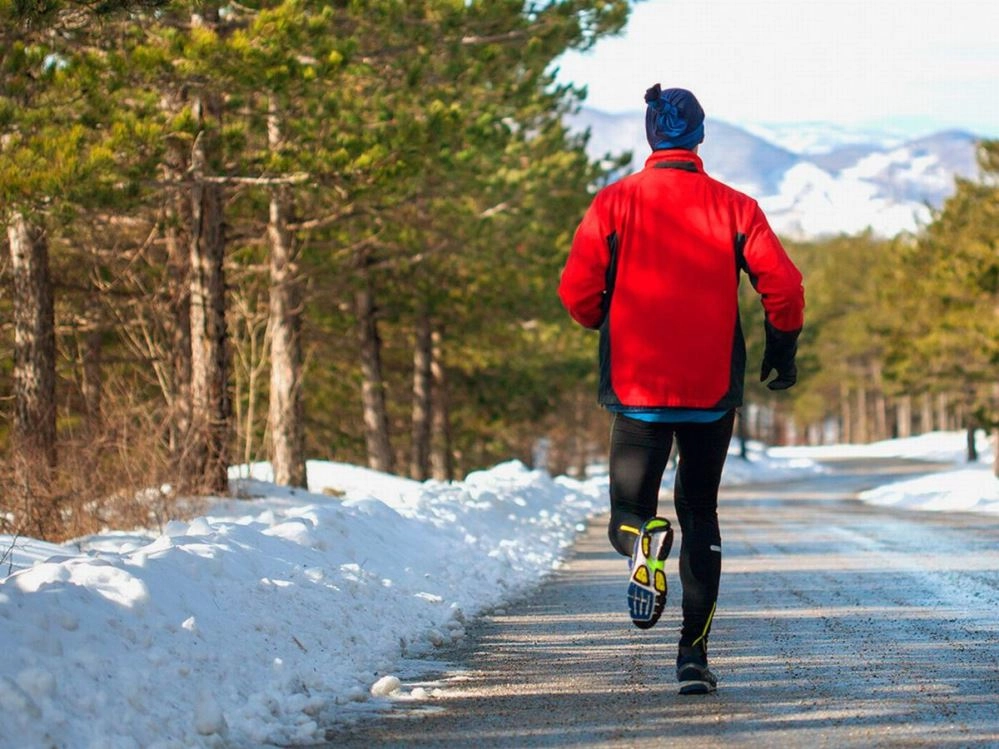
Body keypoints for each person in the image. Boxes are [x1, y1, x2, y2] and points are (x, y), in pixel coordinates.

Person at [558, 84, 805, 695]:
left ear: (650, 136)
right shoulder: (735, 207)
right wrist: (782, 346)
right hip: (710, 391)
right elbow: (786, 287)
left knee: (628, 512)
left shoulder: (613, 204)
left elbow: (577, 294)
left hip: (637, 388)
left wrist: (603, 320)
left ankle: (643, 539)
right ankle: (692, 657)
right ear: (698, 136)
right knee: (700, 512)